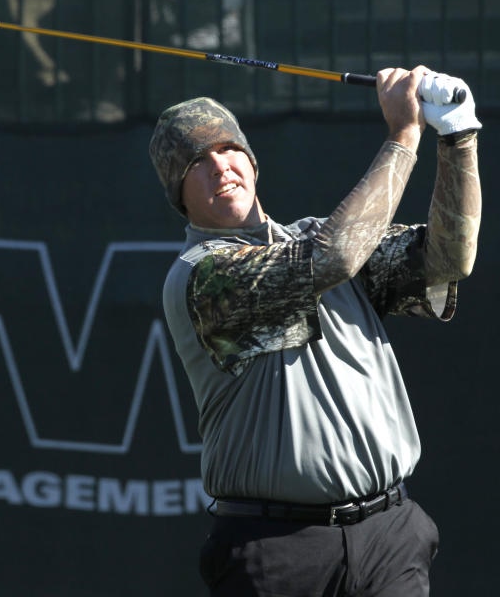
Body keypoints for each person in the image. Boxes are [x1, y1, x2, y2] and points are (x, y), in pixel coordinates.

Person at [149, 66, 481, 596]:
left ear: (252, 164)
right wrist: (404, 136)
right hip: (278, 549)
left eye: (227, 149)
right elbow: (336, 257)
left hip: (388, 536)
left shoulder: (313, 238)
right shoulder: (200, 274)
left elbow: (449, 258)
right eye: (196, 162)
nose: (219, 166)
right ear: (180, 196)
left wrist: (459, 136)